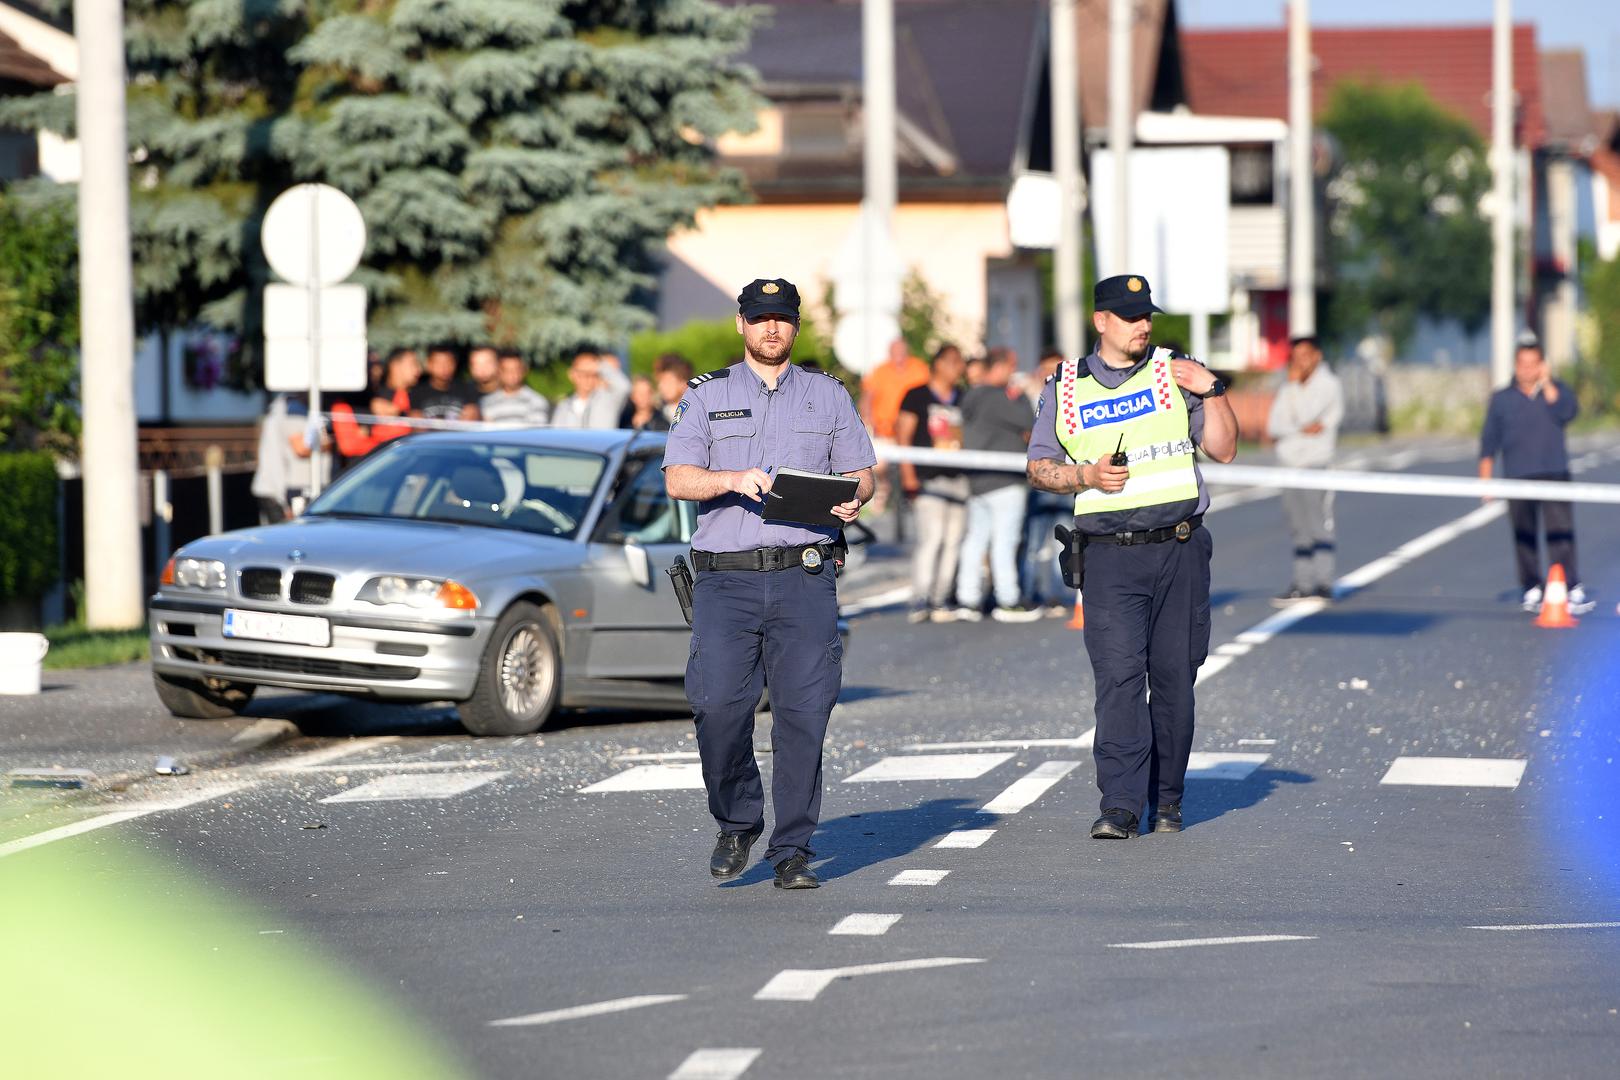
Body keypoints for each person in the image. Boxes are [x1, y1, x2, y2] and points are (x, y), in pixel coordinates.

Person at [663, 277, 876, 891]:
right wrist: (730, 479)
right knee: (717, 705)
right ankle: (737, 819)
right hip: (726, 582)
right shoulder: (707, 396)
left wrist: (851, 500)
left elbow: (861, 475)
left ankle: (793, 848)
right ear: (741, 325)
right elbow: (678, 478)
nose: (771, 328)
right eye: (760, 319)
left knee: (805, 712)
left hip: (804, 576)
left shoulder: (828, 395)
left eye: (782, 318)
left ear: (796, 325)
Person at [1026, 274, 1238, 840]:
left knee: (1174, 680)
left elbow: (1224, 448)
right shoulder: (1066, 386)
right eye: (1129, 315)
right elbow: (1039, 466)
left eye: (1146, 314)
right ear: (1101, 321)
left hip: (1180, 548)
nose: (1143, 324)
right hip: (1109, 557)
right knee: (1119, 680)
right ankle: (1119, 804)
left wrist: (1213, 389)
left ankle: (1166, 798)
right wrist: (1085, 475)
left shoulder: (1177, 371)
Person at [1479, 335, 1592, 613]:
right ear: (1515, 365)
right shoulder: (1502, 398)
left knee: (1560, 533)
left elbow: (1568, 413)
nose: (1528, 369)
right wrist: (1486, 480)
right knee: (1523, 533)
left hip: (1554, 472)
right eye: (1523, 364)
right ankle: (1531, 586)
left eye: (1534, 364)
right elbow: (1489, 440)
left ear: (1542, 365)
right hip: (1518, 475)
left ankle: (1569, 585)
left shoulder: (1557, 391)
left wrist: (1548, 382)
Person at [955, 347, 1039, 622]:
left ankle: (967, 599)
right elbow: (1029, 420)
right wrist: (1022, 395)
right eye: (1012, 367)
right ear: (1001, 366)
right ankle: (1008, 599)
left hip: (978, 479)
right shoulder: (1000, 397)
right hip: (1005, 480)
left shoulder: (973, 395)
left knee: (976, 538)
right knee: (1005, 540)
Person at [1266, 335, 1344, 604]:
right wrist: (1299, 428)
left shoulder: (1329, 385)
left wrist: (1296, 425)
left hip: (1316, 463)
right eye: (1296, 355)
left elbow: (1308, 416)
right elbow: (1275, 425)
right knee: (1297, 526)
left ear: (1317, 355)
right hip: (1288, 465)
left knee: (1318, 523)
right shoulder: (1289, 386)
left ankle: (1324, 582)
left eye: (1306, 354)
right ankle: (1302, 582)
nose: (1301, 361)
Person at [895, 344, 969, 622]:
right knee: (931, 539)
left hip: (958, 477)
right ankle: (920, 598)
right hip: (927, 479)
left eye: (959, 362)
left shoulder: (963, 396)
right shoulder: (916, 395)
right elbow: (903, 436)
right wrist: (908, 476)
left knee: (953, 541)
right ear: (937, 363)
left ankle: (941, 598)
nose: (957, 367)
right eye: (952, 361)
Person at [1020, 348, 1075, 617]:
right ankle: (1028, 592)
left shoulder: (1075, 396)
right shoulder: (1029, 396)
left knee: (1062, 539)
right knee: (1033, 540)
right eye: (1047, 369)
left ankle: (1056, 593)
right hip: (1040, 478)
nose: (1052, 375)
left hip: (1065, 477)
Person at [858, 338, 929, 521]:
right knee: (878, 466)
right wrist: (867, 420)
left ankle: (912, 498)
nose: (898, 357)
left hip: (911, 431)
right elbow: (868, 397)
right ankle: (882, 495)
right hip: (885, 431)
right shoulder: (880, 371)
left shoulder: (918, 368)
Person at [251, 392, 330, 523]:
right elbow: (301, 448)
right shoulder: (293, 410)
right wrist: (330, 444)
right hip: (278, 491)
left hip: (272, 488)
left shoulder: (280, 408)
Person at [551, 348, 630, 429]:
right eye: (583, 374)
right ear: (572, 374)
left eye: (593, 374)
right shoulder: (564, 405)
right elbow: (555, 434)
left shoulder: (608, 400)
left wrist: (601, 366)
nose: (588, 379)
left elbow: (624, 387)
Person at [408, 344, 481, 422]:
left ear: (455, 364)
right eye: (438, 363)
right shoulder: (417, 393)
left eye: (448, 362)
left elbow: (472, 416)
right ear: (429, 365)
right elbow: (416, 423)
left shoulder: (466, 389)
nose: (444, 367)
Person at [480, 349, 551, 426]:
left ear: (524, 371)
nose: (512, 375)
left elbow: (536, 433)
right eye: (507, 370)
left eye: (516, 370)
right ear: (499, 372)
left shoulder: (536, 401)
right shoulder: (487, 402)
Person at [653, 353, 696, 426]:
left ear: (684, 383)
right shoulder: (655, 417)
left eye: (667, 381)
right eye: (660, 381)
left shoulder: (697, 415)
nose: (660, 386)